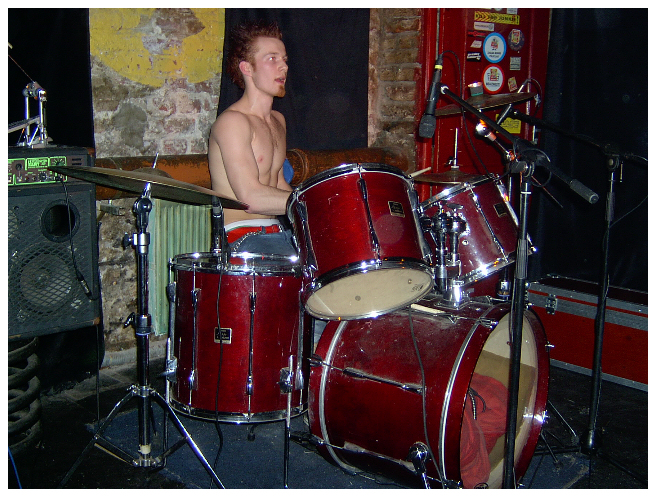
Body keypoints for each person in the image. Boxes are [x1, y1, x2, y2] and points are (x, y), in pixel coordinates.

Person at [208, 21, 295, 257]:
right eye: (272, 59)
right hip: (241, 237)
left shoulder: (278, 120)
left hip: (277, 232)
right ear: (247, 68)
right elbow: (250, 198)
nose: (283, 66)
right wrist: (310, 202)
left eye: (284, 59)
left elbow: (278, 183)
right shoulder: (233, 122)